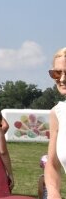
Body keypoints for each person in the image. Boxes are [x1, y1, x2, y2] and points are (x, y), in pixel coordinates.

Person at [45, 47, 66, 198]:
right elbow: (52, 164)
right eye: (57, 73)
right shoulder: (57, 113)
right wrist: (53, 193)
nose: (62, 79)